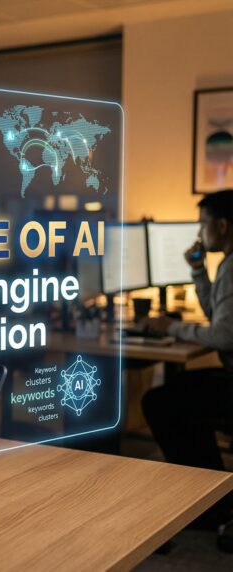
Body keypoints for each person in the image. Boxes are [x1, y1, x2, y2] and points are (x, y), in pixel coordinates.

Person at [141, 190, 233, 526]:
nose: (199, 233)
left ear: (221, 225)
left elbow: (223, 335)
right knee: (182, 392)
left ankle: (209, 499)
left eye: (203, 224)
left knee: (159, 402)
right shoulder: (226, 264)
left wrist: (171, 326)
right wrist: (198, 271)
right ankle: (213, 491)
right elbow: (219, 316)